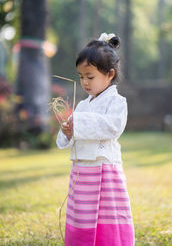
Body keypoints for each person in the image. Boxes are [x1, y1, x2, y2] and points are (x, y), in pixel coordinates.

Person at [56, 33, 135, 246]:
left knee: (107, 214)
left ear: (109, 74)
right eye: (81, 77)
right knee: (82, 213)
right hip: (82, 172)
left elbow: (113, 127)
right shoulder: (83, 105)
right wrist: (68, 132)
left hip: (104, 170)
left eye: (90, 77)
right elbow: (70, 138)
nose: (84, 82)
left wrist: (80, 124)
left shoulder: (117, 102)